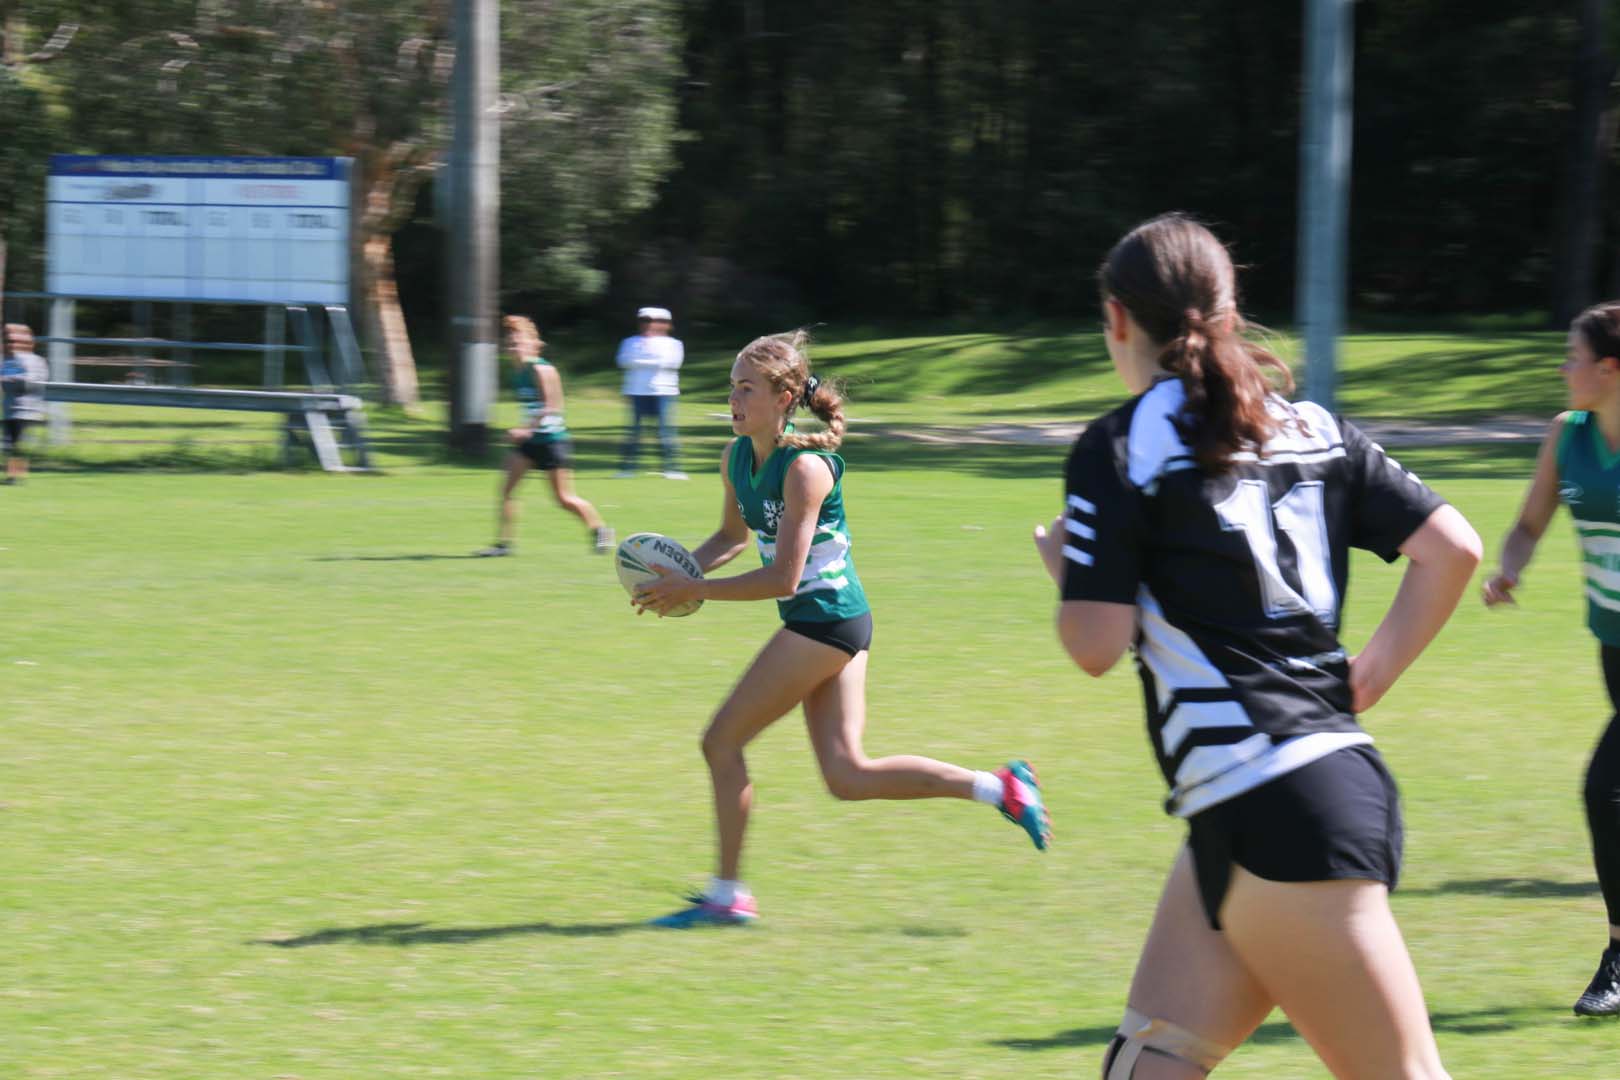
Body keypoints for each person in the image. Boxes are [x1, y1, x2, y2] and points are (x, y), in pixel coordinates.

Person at [1035, 214, 1479, 1077]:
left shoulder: (1120, 446)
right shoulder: (1311, 426)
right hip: (1267, 798)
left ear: (1117, 318)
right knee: (1146, 1066)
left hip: (1276, 804)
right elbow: (1453, 549)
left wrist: (1070, 572)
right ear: (1230, 314)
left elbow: (1094, 644)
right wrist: (1367, 677)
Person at [634, 329, 1052, 928]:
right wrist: (676, 575)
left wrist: (693, 590)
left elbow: (785, 578)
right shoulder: (735, 458)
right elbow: (731, 537)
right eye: (732, 387)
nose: (734, 399)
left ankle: (727, 896)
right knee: (847, 775)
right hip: (829, 622)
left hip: (826, 621)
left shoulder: (805, 470)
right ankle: (1001, 788)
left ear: (783, 399)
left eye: (747, 388)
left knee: (721, 742)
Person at [1483, 300, 1620, 1018]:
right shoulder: (1567, 436)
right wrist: (1510, 568)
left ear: (1610, 368)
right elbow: (1530, 523)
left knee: (1606, 791)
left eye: (1574, 358)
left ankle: (1618, 958)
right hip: (1613, 644)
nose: (1564, 369)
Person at [475, 315, 613, 557]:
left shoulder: (542, 369)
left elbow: (553, 406)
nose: (514, 347)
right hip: (530, 443)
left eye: (519, 342)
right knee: (506, 489)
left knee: (563, 498)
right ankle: (503, 545)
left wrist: (524, 429)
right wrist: (526, 432)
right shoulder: (518, 372)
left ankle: (600, 529)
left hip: (552, 441)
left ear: (533, 344)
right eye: (510, 343)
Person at [615, 306, 685, 479]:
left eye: (651, 321)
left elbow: (672, 363)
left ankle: (672, 469)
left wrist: (639, 361)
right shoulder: (629, 342)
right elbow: (623, 361)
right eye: (644, 321)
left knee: (665, 431)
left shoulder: (673, 344)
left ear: (664, 324)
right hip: (636, 391)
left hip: (664, 391)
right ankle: (627, 469)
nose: (647, 324)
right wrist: (652, 361)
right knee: (634, 432)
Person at [1, 323, 48, 485]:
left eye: (14, 341)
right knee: (9, 445)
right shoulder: (7, 360)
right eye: (8, 341)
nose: (10, 344)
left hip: (27, 410)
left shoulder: (36, 360)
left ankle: (16, 476)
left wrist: (6, 380)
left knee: (18, 444)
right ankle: (14, 476)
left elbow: (29, 382)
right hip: (10, 410)